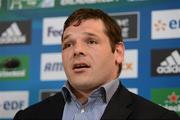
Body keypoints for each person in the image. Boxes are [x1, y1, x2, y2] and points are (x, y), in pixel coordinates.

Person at [13, 8, 180, 120]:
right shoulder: (27, 117)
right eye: (68, 44)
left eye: (91, 41)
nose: (77, 50)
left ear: (118, 53)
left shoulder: (160, 118)